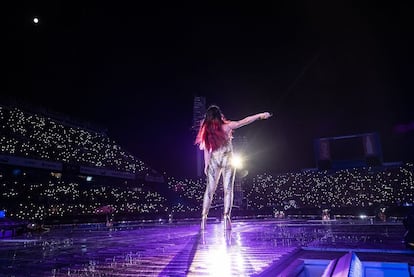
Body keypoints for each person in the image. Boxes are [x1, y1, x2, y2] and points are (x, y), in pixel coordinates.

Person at [195, 105, 272, 230]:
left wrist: (206, 164)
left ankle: (204, 218)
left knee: (209, 191)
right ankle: (226, 217)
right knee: (228, 190)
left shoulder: (207, 131)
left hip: (214, 161)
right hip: (227, 160)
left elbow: (207, 150)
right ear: (220, 115)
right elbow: (244, 121)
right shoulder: (227, 126)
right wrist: (260, 115)